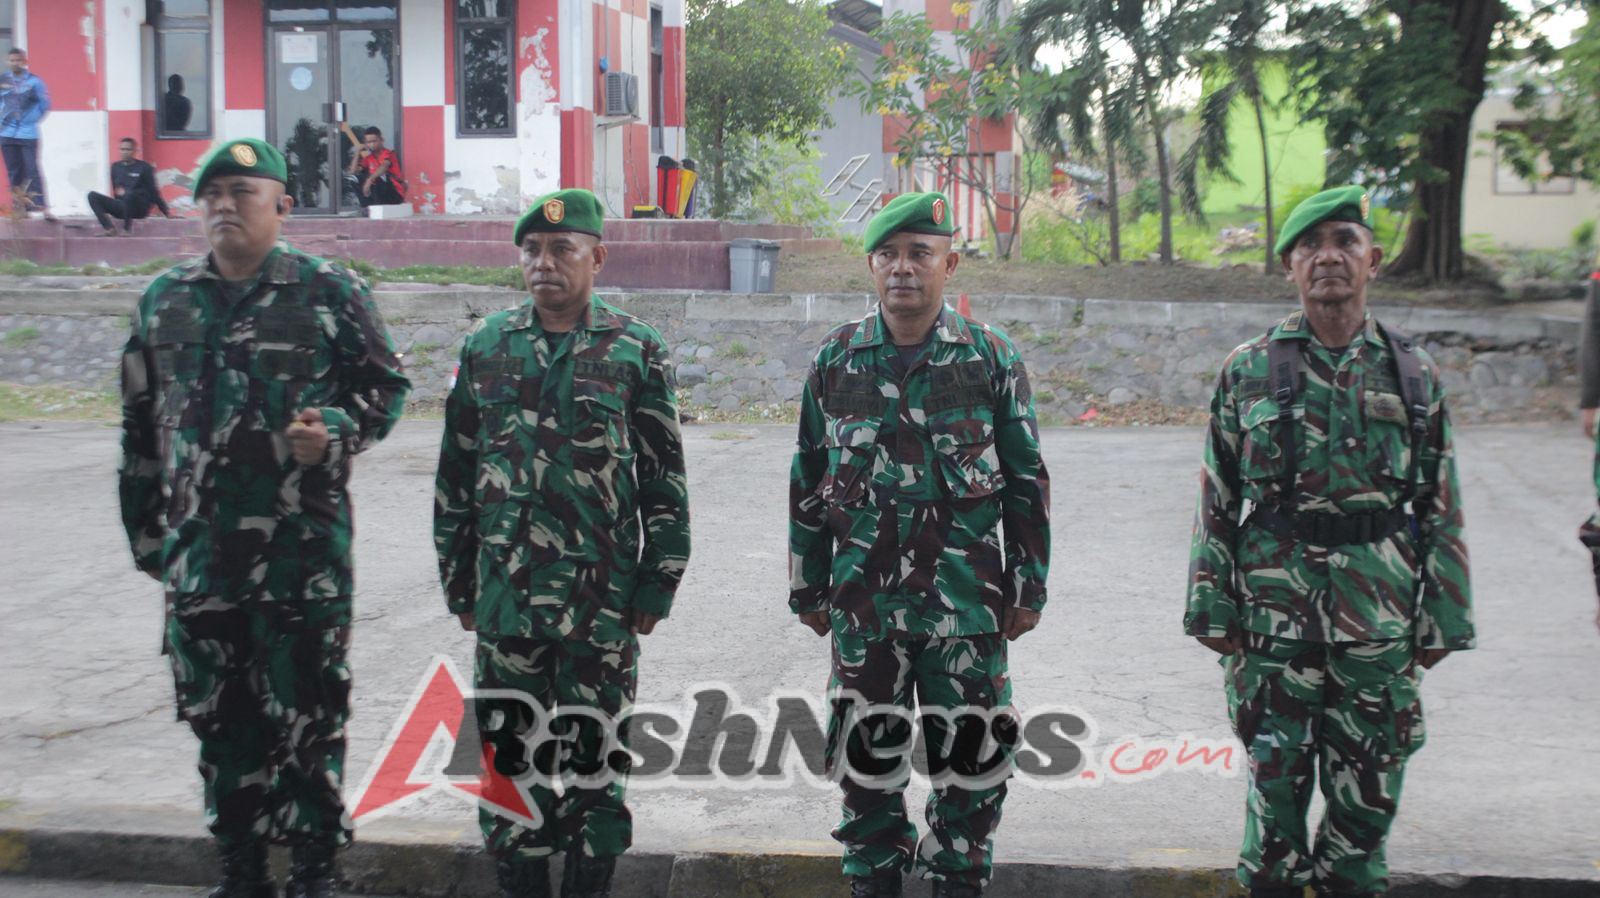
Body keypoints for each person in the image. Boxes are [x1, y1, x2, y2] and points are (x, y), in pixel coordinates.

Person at [119, 138, 410, 898]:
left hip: (300, 557)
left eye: (242, 192)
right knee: (221, 724)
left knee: (309, 721)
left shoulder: (327, 290)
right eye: (210, 194)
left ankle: (315, 873)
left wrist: (338, 433)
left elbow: (385, 389)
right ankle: (240, 872)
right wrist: (150, 541)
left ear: (282, 203)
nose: (223, 206)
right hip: (199, 560)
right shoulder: (164, 299)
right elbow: (140, 427)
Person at [1185, 185, 1474, 898]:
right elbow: (1217, 497)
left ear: (1372, 259)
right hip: (1273, 624)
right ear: (1289, 267)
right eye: (1309, 246)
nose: (1327, 258)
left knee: (1367, 807)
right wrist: (1209, 607)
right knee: (1275, 800)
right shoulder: (1248, 369)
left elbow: (1441, 504)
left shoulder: (1412, 374)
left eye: (1344, 241)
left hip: (1379, 626)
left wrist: (1447, 617)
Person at [788, 191, 1051, 898]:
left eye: (919, 253)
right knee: (865, 771)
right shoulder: (837, 360)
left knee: (973, 773)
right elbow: (808, 477)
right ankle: (874, 884)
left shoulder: (991, 358)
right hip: (863, 610)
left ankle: (952, 881)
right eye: (889, 255)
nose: (903, 268)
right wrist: (806, 586)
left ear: (948, 263)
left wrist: (1030, 586)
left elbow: (1026, 479)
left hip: (965, 610)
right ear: (872, 267)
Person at [433, 188, 690, 898]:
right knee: (509, 763)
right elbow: (456, 476)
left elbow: (663, 477)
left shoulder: (636, 350)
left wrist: (657, 579)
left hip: (600, 604)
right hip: (506, 599)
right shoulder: (486, 347)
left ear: (597, 258)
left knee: (595, 761)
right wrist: (460, 583)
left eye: (561, 249)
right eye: (532, 251)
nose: (544, 263)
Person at [0, 48, 53, 220]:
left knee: (32, 170)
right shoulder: (3, 80)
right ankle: (20, 208)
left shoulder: (35, 81)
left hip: (28, 134)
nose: (15, 63)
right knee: (14, 172)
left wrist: (31, 119)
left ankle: (42, 207)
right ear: (8, 61)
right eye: (12, 60)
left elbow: (45, 104)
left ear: (24, 61)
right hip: (6, 134)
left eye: (18, 60)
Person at [87, 137, 175, 235]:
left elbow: (154, 192)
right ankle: (109, 228)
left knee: (129, 194)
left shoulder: (144, 167)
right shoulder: (115, 167)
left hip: (139, 209)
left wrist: (166, 212)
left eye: (127, 149)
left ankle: (126, 229)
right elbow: (116, 190)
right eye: (122, 149)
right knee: (92, 196)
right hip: (123, 207)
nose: (124, 152)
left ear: (134, 151)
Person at [344, 127, 405, 207]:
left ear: (381, 140)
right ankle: (366, 207)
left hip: (394, 194)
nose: (372, 144)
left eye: (374, 141)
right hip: (378, 195)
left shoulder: (389, 153)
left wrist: (369, 180)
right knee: (353, 178)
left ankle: (376, 205)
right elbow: (353, 172)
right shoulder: (368, 158)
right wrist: (357, 153)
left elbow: (384, 167)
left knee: (379, 175)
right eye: (369, 142)